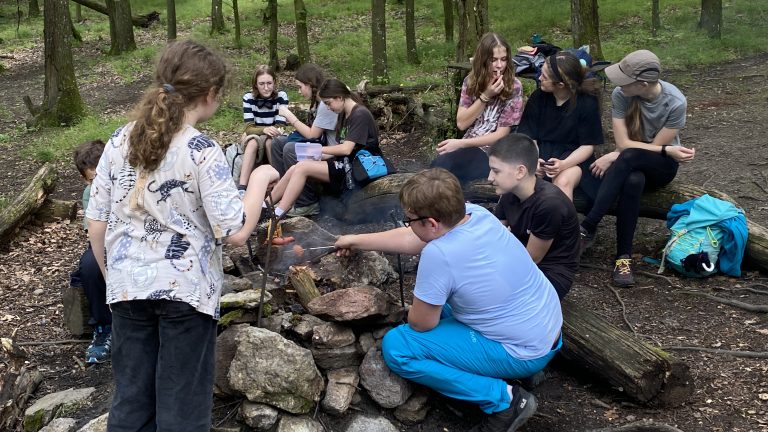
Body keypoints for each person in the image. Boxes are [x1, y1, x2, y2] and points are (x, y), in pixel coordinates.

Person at [86, 40, 278, 432]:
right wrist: (259, 179)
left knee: (131, 404)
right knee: (182, 409)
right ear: (210, 95)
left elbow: (97, 224)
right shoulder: (202, 150)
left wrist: (114, 280)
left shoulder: (118, 140)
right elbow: (237, 231)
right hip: (185, 295)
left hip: (126, 291)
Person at [334, 168, 563, 432]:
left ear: (431, 223)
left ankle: (505, 400)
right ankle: (516, 372)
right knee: (449, 304)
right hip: (549, 330)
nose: (407, 225)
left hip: (524, 351)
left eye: (409, 220)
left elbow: (421, 325)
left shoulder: (439, 254)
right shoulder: (477, 214)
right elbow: (415, 237)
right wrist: (357, 240)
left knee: (399, 346)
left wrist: (418, 309)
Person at [579, 49, 695, 286]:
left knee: (630, 157)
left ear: (642, 84)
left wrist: (664, 151)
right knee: (633, 181)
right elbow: (623, 144)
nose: (617, 85)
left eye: (624, 81)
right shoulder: (622, 96)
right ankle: (623, 258)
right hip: (632, 162)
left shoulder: (675, 102)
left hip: (661, 166)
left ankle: (588, 225)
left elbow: (650, 148)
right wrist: (617, 154)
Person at [267, 78, 381, 218]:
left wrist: (317, 150)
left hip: (360, 168)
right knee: (294, 168)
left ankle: (277, 214)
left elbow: (346, 149)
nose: (328, 108)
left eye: (328, 103)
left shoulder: (360, 114)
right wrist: (315, 155)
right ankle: (266, 206)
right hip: (345, 164)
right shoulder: (343, 115)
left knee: (302, 167)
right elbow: (340, 150)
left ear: (339, 97)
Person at [488, 134, 580, 299]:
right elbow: (494, 236)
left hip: (549, 275)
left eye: (496, 171)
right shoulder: (510, 193)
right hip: (519, 261)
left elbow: (531, 259)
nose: (490, 178)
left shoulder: (549, 204)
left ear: (520, 171)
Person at [431, 32, 523, 184]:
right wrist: (486, 95)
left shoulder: (514, 86)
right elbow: (462, 123)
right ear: (483, 60)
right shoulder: (471, 81)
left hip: (493, 151)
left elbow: (501, 135)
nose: (499, 65)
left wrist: (460, 143)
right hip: (468, 145)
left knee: (451, 174)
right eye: (493, 60)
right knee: (437, 168)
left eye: (503, 59)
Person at [516, 51, 604, 200]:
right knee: (524, 181)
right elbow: (529, 136)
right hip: (541, 154)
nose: (539, 78)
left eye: (544, 76)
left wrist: (563, 164)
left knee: (562, 182)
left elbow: (588, 146)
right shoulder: (538, 97)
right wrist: (533, 161)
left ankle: (562, 222)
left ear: (561, 84)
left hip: (573, 157)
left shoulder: (587, 102)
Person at [271, 63, 339, 216]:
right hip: (323, 145)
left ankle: (306, 202)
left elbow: (312, 135)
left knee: (291, 149)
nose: (299, 91)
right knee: (278, 143)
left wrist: (290, 117)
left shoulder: (324, 103)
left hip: (333, 152)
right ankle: (284, 195)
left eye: (300, 87)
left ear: (309, 85)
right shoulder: (317, 101)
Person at [70, 139, 112, 364]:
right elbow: (95, 233)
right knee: (89, 268)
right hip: (103, 241)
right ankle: (104, 327)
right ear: (84, 179)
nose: (100, 183)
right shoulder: (90, 194)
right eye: (94, 179)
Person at [238, 65, 289, 190]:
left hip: (274, 134)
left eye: (269, 83)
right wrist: (264, 129)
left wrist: (269, 131)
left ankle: (279, 185)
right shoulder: (248, 98)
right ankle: (242, 187)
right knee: (252, 142)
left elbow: (280, 125)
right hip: (256, 134)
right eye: (261, 84)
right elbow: (249, 127)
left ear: (274, 82)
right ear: (255, 84)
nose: (266, 88)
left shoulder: (281, 96)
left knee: (271, 142)